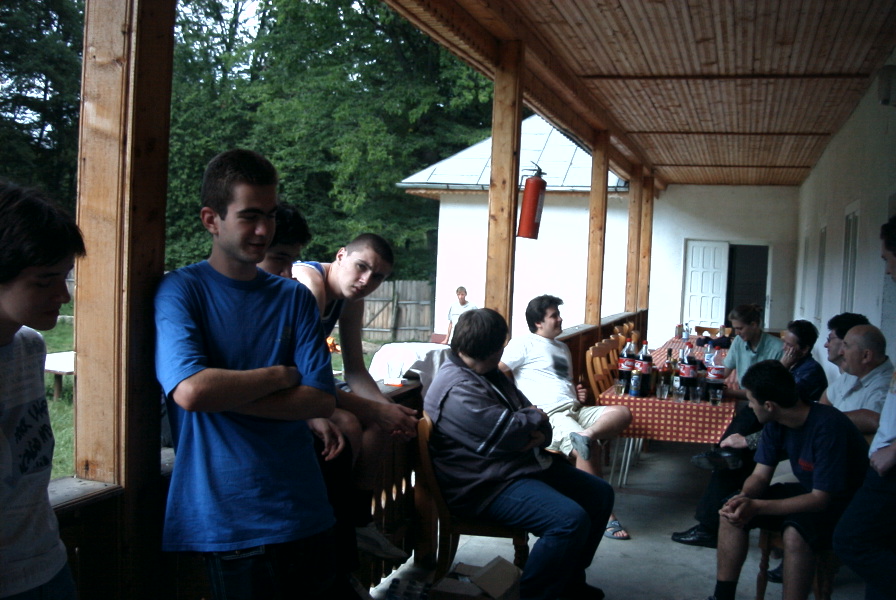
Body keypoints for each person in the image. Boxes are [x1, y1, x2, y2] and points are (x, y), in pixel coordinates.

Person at [154, 150, 347, 598]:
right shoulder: (182, 290)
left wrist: (222, 391)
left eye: (270, 215)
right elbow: (192, 392)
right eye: (250, 216)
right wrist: (281, 375)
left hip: (306, 511)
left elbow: (321, 400)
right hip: (229, 520)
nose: (264, 229)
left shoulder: (294, 298)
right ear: (211, 219)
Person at [425, 308, 614, 600]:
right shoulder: (457, 387)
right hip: (483, 486)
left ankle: (568, 581)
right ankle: (534, 594)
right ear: (491, 349)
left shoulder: (487, 372)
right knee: (568, 522)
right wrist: (533, 421)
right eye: (502, 346)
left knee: (599, 495)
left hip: (514, 467)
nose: (503, 352)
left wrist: (537, 427)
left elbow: (530, 414)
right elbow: (508, 433)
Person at [292, 233, 419, 560]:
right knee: (348, 424)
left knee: (383, 424)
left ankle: (360, 520)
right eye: (361, 267)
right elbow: (305, 373)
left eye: (378, 277)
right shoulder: (310, 284)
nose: (366, 281)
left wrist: (388, 409)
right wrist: (377, 410)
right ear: (340, 255)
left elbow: (356, 371)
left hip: (310, 384)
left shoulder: (351, 299)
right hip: (286, 384)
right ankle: (336, 526)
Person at [704, 360, 868, 600]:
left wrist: (758, 506)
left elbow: (820, 500)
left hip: (846, 505)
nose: (750, 406)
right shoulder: (776, 423)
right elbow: (760, 475)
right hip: (811, 492)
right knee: (730, 511)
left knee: (795, 533)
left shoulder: (828, 427)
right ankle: (722, 596)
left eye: (751, 401)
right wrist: (744, 498)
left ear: (769, 405)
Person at [0, 181, 85, 600]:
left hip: (47, 565)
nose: (63, 294)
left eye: (64, 276)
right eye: (44, 281)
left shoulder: (29, 347)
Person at [674, 318, 823, 549]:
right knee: (737, 437)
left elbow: (777, 407)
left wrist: (749, 440)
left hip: (788, 435)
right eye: (784, 343)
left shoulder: (809, 372)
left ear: (803, 349)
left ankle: (708, 527)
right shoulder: (795, 365)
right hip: (772, 427)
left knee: (733, 461)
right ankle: (721, 457)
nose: (784, 348)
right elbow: (759, 394)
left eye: (790, 345)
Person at [499, 295, 633, 540]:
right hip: (551, 414)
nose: (560, 319)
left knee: (622, 412)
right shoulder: (523, 343)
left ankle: (587, 434)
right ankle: (605, 517)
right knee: (586, 448)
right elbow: (498, 372)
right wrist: (518, 404)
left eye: (558, 314)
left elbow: (562, 381)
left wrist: (576, 392)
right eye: (554, 316)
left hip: (576, 409)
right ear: (538, 322)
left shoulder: (562, 347)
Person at [833, 217, 896, 600]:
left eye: (887, 259)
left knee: (852, 539)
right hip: (882, 454)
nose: (887, 270)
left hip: (887, 461)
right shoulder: (847, 374)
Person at [822, 323, 892, 435]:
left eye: (846, 346)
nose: (841, 352)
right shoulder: (855, 370)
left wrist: (826, 418)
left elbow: (874, 420)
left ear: (866, 356)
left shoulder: (887, 386)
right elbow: (827, 398)